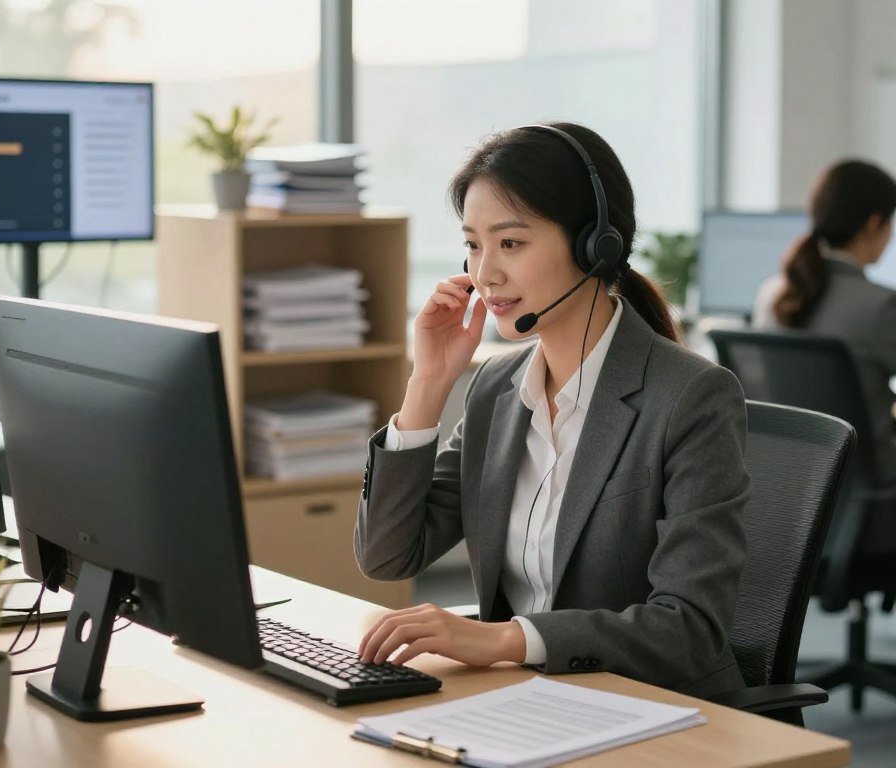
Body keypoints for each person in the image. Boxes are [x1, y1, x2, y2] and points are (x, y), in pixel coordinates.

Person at [354, 122, 750, 699]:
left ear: (596, 245)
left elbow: (688, 630)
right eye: (472, 243)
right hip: (523, 701)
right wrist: (428, 385)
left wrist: (505, 641)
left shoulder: (691, 397)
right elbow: (388, 556)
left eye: (510, 243)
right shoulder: (496, 389)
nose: (484, 273)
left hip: (648, 709)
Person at [753, 160, 896, 483]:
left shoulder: (772, 295)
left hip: (793, 484)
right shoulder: (881, 306)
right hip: (867, 485)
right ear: (875, 224)